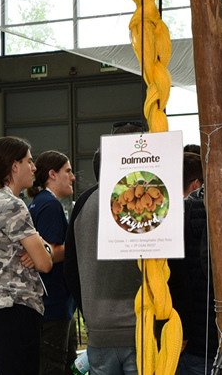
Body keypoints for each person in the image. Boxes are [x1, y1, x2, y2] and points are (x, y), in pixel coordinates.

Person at [64, 124, 143, 375]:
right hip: (141, 327)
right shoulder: (150, 201)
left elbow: (70, 268)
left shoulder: (84, 202)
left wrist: (89, 312)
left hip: (99, 328)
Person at [0, 136, 54, 375]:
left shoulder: (3, 200)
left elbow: (43, 253)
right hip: (17, 309)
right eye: (29, 161)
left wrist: (42, 250)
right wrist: (42, 250)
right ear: (14, 166)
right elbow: (45, 263)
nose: (34, 167)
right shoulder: (11, 204)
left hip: (14, 310)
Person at [28, 151, 79, 375]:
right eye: (68, 171)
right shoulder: (50, 206)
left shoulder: (39, 203)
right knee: (55, 366)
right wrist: (79, 244)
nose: (73, 177)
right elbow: (49, 253)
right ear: (52, 174)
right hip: (54, 303)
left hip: (53, 302)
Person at [168, 152, 213, 375]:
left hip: (174, 332)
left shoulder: (165, 219)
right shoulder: (213, 218)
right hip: (207, 334)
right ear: (196, 184)